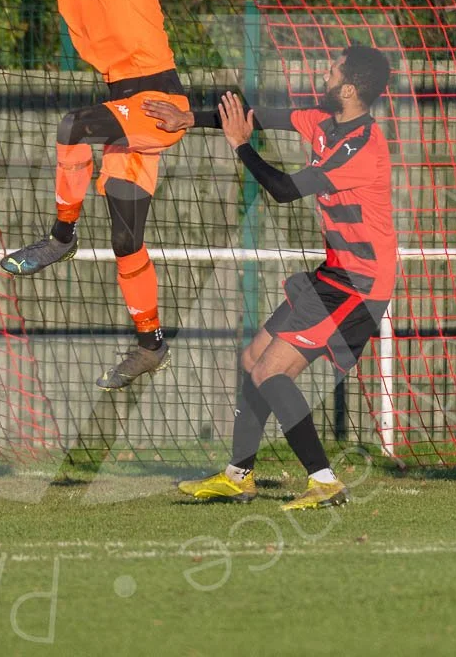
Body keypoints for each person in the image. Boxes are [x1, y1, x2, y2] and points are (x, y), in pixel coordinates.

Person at [0, 0, 191, 390]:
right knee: (127, 241)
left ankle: (59, 238)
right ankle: (150, 342)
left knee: (73, 126)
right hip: (126, 103)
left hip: (156, 100)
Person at [147, 45, 396, 509]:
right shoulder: (324, 120)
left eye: (332, 69)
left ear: (348, 88)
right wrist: (189, 120)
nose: (323, 73)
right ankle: (238, 475)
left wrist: (240, 147)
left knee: (270, 370)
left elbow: (282, 190)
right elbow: (254, 115)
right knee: (253, 360)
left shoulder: (361, 147)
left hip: (361, 285)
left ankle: (324, 481)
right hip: (335, 276)